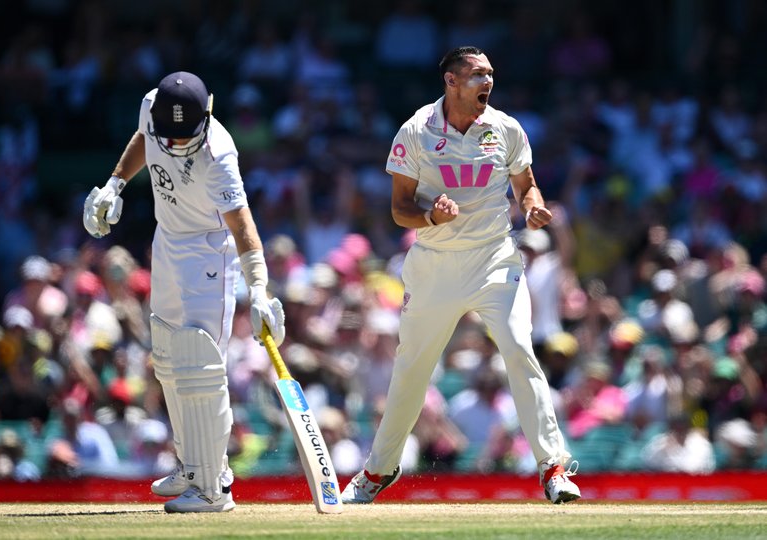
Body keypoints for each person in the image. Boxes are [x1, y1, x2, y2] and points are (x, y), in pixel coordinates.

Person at [341, 46, 581, 505]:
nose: (487, 82)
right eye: (476, 75)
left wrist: (531, 208)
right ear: (450, 82)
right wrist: (432, 217)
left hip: (494, 260)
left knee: (519, 350)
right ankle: (377, 472)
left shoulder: (505, 128)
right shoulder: (415, 130)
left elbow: (525, 184)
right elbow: (399, 208)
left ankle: (553, 468)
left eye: (490, 74)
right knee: (412, 369)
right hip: (435, 266)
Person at [82, 71, 285, 513]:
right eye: (168, 136)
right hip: (168, 241)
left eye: (182, 137)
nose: (173, 146)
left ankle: (214, 490)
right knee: (170, 358)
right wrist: (115, 184)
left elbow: (243, 226)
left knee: (201, 363)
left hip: (209, 252)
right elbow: (143, 139)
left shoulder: (219, 153)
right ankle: (194, 465)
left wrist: (260, 289)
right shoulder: (151, 106)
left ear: (207, 114)